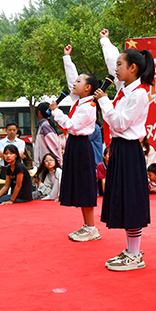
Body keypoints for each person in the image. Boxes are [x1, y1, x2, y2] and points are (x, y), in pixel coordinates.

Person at [94, 28, 154, 271]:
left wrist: (104, 101)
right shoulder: (124, 87)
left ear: (133, 69)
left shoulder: (138, 94)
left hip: (129, 150)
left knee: (132, 202)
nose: (115, 69)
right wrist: (104, 40)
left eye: (121, 65)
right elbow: (111, 60)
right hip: (119, 149)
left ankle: (135, 254)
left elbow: (119, 122)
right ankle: (131, 251)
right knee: (125, 201)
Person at [50, 44, 100, 241]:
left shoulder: (88, 107)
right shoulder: (81, 101)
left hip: (81, 146)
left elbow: (72, 126)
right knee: (80, 186)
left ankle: (92, 228)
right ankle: (87, 226)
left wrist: (55, 111)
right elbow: (72, 79)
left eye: (80, 82)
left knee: (85, 186)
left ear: (87, 88)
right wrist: (67, 58)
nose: (74, 84)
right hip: (75, 146)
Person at [33, 102, 62, 168]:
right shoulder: (44, 125)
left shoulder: (45, 126)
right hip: (45, 164)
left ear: (39, 113)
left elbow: (54, 146)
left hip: (49, 165)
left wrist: (58, 162)